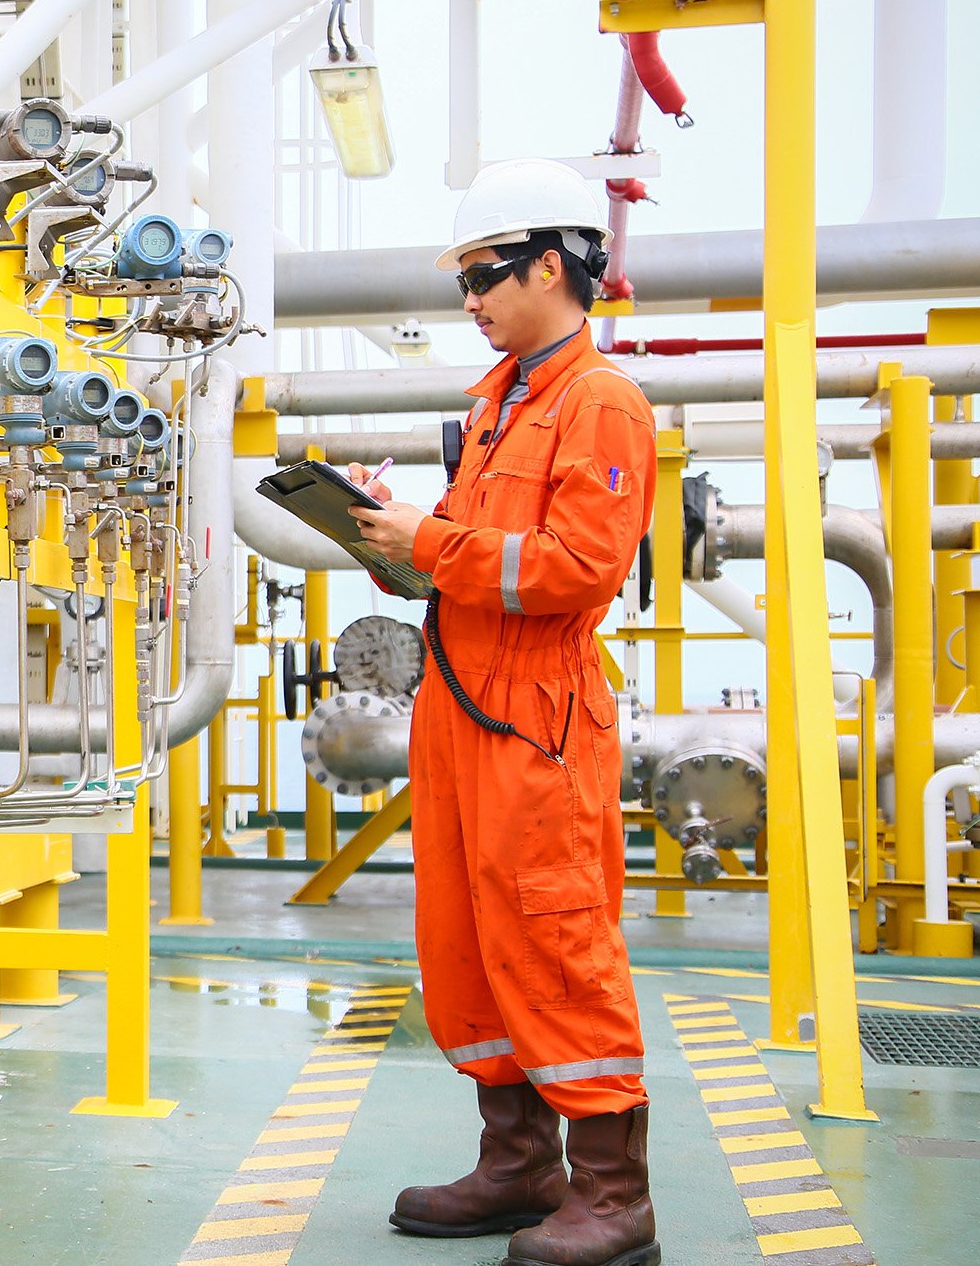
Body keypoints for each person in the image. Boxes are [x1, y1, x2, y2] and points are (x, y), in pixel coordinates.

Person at [344, 157, 660, 1266]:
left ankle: (616, 1196)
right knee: (471, 939)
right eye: (465, 283)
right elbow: (476, 566)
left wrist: (430, 543)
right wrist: (391, 545)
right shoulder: (497, 403)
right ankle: (520, 1164)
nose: (470, 301)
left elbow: (576, 568)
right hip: (463, 702)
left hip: (536, 711)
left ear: (550, 266)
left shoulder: (599, 402)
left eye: (483, 277)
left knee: (553, 932)